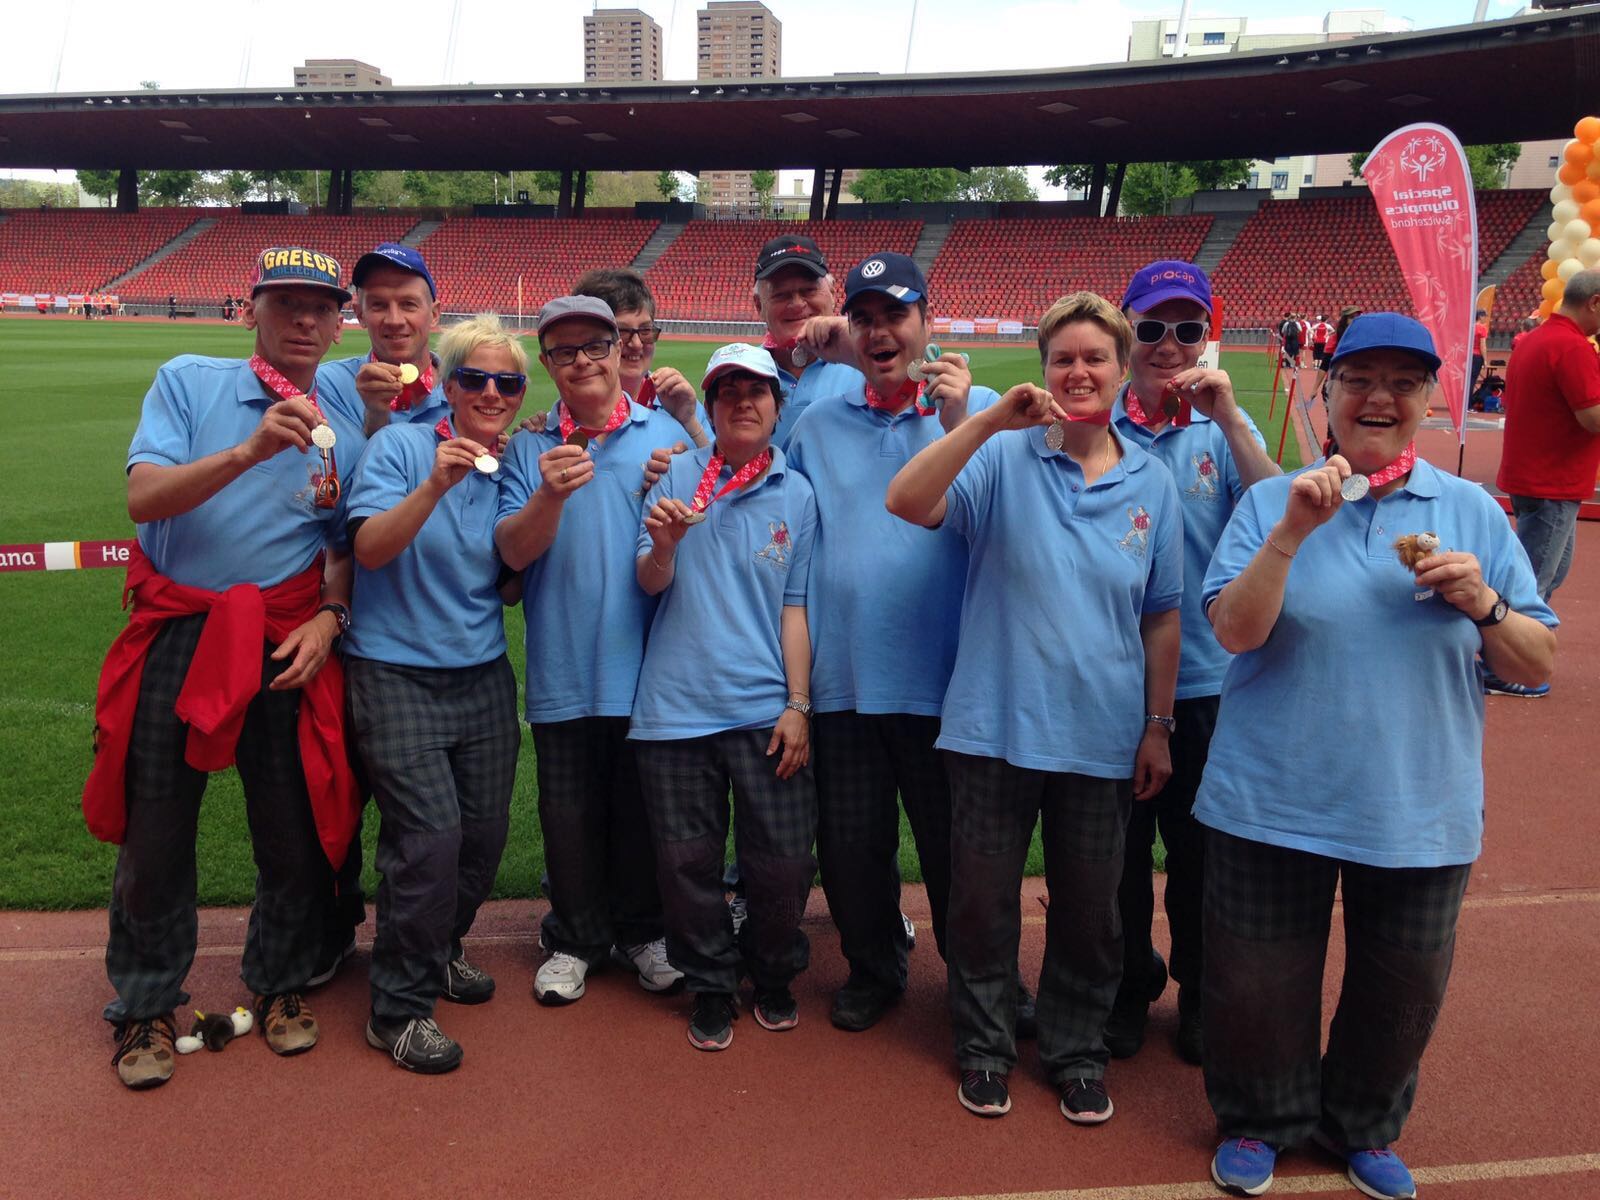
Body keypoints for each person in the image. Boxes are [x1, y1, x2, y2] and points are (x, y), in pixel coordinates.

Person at [1199, 313, 1557, 1199]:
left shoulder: (1471, 512)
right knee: (1254, 983)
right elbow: (1233, 634)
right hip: (1270, 795)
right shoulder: (1268, 502)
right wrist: (1292, 532)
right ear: (1331, 394)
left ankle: (1362, 1124)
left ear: (1432, 398)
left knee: (1402, 991)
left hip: (1416, 803)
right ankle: (1261, 1118)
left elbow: (1535, 663)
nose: (1379, 398)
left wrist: (1485, 604)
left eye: (1404, 381)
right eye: (1359, 378)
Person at [887, 292, 1183, 1125]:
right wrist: (984, 424)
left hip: (1102, 733)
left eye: (1095, 358)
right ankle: (984, 1047)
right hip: (993, 724)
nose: (1078, 372)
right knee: (980, 903)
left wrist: (1158, 724)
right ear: (1043, 369)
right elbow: (907, 502)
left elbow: (1162, 615)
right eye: (1063, 359)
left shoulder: (1151, 479)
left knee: (1091, 913)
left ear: (1124, 372)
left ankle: (1075, 1050)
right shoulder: (1001, 458)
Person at [83, 245, 364, 1089]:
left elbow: (342, 545)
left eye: (322, 307)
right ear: (252, 311)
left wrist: (329, 614)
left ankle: (280, 983)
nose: (306, 321)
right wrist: (244, 453)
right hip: (186, 627)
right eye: (287, 305)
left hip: (284, 634)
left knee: (288, 826)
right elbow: (142, 500)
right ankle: (145, 1001)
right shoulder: (189, 380)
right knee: (157, 824)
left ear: (338, 318)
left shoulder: (344, 421)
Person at [784, 251, 1027, 1035]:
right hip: (846, 673)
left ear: (928, 318)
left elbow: (1015, 519)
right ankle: (873, 966)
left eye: (896, 314)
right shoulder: (817, 422)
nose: (880, 331)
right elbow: (779, 521)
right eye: (865, 317)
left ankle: (982, 981)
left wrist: (962, 420)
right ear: (850, 329)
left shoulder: (982, 406)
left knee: (961, 853)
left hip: (949, 678)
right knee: (853, 847)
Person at [1105, 260, 1280, 1068]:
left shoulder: (1225, 429)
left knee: (1203, 856)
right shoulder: (1091, 422)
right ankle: (1126, 985)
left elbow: (1289, 515)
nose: (1168, 346)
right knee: (1116, 855)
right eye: (1150, 329)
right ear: (1126, 335)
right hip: (1112, 680)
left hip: (1209, 680)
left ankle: (1204, 995)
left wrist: (1234, 422)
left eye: (1186, 329)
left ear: (1208, 334)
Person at [343, 314, 527, 1074]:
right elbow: (369, 550)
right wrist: (434, 484)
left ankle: (439, 947)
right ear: (447, 386)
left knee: (482, 837)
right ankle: (399, 1007)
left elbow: (511, 583)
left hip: (480, 670)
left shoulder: (510, 463)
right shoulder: (401, 446)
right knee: (429, 841)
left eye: (507, 382)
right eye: (475, 378)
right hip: (393, 670)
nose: (491, 391)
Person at [495, 296, 688, 1006]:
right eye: (564, 351)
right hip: (563, 663)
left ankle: (642, 930)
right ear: (547, 364)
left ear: (619, 347)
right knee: (567, 812)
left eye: (594, 345)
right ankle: (575, 937)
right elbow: (509, 560)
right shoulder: (528, 446)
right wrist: (548, 492)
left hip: (647, 665)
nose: (582, 361)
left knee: (640, 812)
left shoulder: (663, 436)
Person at [631, 343, 819, 1051]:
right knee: (687, 865)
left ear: (777, 406)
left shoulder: (797, 494)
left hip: (764, 709)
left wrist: (798, 704)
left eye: (757, 390)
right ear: (710, 407)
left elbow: (794, 608)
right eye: (728, 390)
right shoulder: (675, 475)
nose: (743, 401)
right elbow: (647, 582)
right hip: (674, 709)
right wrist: (667, 546)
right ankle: (711, 985)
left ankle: (772, 972)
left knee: (782, 861)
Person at [308, 242, 451, 987]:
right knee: (331, 787)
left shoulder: (458, 394)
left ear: (434, 309)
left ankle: (417, 941)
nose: (393, 317)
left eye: (408, 301)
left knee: (414, 809)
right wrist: (368, 414)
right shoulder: (324, 385)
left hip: (411, 627)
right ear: (354, 313)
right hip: (327, 612)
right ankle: (330, 930)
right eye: (377, 303)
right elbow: (324, 499)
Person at [1492, 268, 1600, 695]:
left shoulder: (1537, 337)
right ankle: (1503, 666)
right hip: (1552, 479)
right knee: (1532, 580)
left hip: (1538, 475)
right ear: (1594, 302)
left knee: (1544, 576)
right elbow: (1591, 417)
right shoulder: (1572, 347)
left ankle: (1509, 658)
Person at [573, 267, 711, 448]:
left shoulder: (680, 402)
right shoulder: (570, 413)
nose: (637, 343)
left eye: (646, 330)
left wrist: (691, 426)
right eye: (622, 332)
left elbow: (720, 473)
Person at [751, 235, 864, 448]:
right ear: (759, 306)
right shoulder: (741, 373)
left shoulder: (872, 365)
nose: (797, 304)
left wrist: (856, 342)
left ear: (832, 293)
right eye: (781, 295)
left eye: (809, 291)